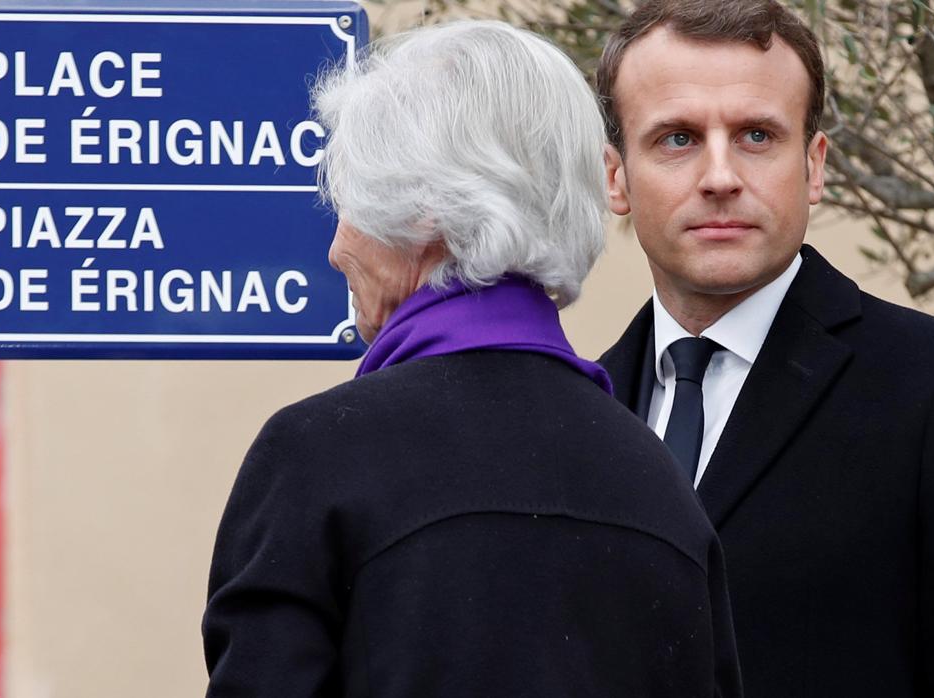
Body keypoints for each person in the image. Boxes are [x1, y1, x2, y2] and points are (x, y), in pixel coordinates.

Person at [202, 20, 741, 698]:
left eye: (351, 202)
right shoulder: (660, 482)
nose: (337, 246)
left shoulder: (318, 457)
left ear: (425, 211)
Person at [595, 1, 934, 696]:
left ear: (816, 165)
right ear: (617, 178)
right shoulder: (582, 410)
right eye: (678, 138)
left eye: (756, 136)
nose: (719, 176)